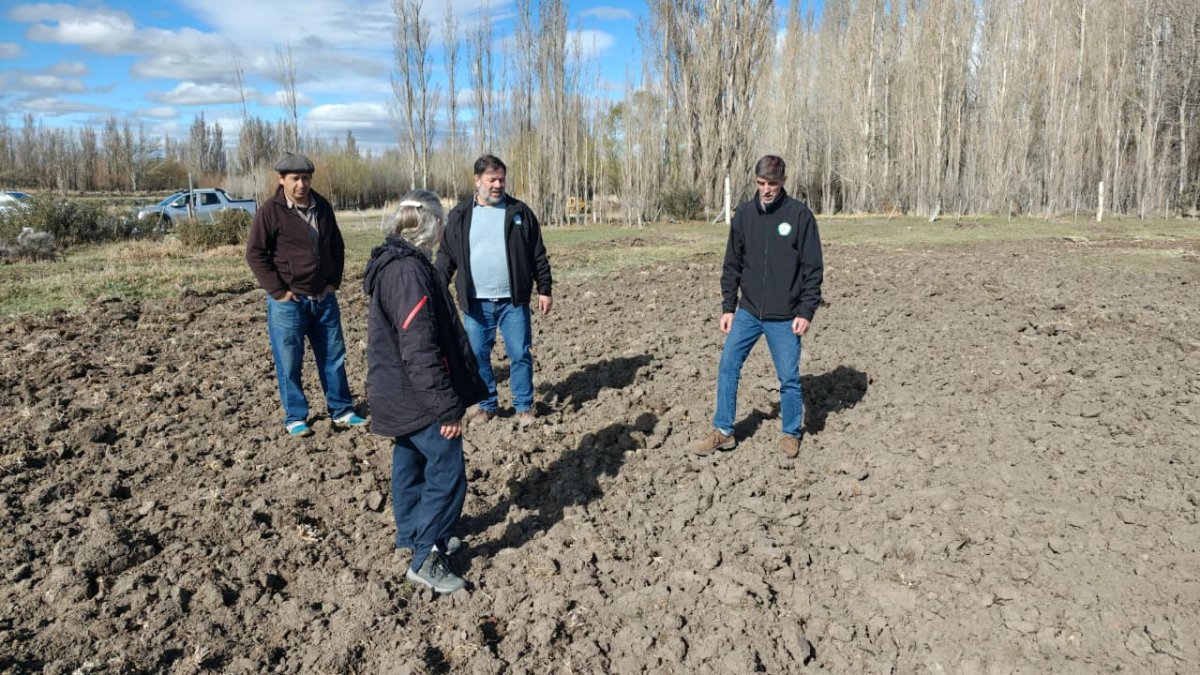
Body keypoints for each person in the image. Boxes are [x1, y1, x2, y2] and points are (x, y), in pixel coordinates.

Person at [363, 189, 488, 595]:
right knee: (447, 472)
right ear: (432, 224)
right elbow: (419, 348)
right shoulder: (408, 274)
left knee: (410, 461)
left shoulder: (399, 264)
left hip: (399, 393)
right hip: (416, 395)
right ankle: (426, 556)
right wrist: (446, 407)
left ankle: (413, 534)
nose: (444, 228)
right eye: (442, 221)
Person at [688, 155, 824, 458]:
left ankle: (791, 433)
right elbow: (732, 264)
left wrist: (805, 311)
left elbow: (813, 269)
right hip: (748, 312)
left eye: (772, 183)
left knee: (788, 377)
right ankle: (723, 431)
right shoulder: (745, 216)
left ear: (783, 181)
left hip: (785, 316)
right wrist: (728, 307)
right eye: (761, 183)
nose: (766, 189)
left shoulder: (799, 216)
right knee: (728, 366)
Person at [246, 153, 368, 437]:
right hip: (289, 304)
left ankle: (341, 411)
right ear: (282, 180)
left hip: (324, 300)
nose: (301, 184)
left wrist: (333, 281)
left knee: (333, 358)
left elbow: (336, 245)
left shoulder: (322, 206)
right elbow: (255, 253)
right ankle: (295, 417)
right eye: (295, 179)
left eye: (306, 178)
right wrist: (278, 291)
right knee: (289, 362)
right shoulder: (270, 212)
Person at [435, 154, 553, 428]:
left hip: (513, 301)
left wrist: (544, 288)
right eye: (492, 180)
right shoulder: (461, 215)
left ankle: (523, 407)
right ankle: (487, 406)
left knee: (519, 353)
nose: (498, 185)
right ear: (477, 180)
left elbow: (538, 254)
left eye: (502, 179)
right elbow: (446, 256)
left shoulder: (520, 212)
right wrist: (436, 288)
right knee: (477, 355)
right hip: (475, 302)